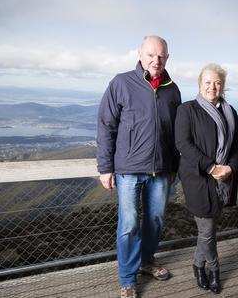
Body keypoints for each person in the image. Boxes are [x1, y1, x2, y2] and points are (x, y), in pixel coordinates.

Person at [96, 35, 181, 298]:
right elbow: (106, 125)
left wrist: (174, 165)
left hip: (161, 170)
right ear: (140, 55)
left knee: (155, 221)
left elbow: (175, 132)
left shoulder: (172, 89)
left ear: (167, 57)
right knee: (130, 223)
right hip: (129, 169)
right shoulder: (121, 83)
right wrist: (105, 167)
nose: (156, 60)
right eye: (151, 55)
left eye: (161, 55)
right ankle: (128, 278)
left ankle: (146, 261)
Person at [175, 63, 238, 295]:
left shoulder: (230, 111)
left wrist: (230, 168)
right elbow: (183, 144)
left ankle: (197, 265)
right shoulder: (187, 110)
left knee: (207, 230)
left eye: (217, 83)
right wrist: (212, 167)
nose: (212, 87)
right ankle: (214, 271)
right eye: (208, 82)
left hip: (223, 178)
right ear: (199, 84)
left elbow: (235, 146)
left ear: (223, 86)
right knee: (207, 228)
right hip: (197, 177)